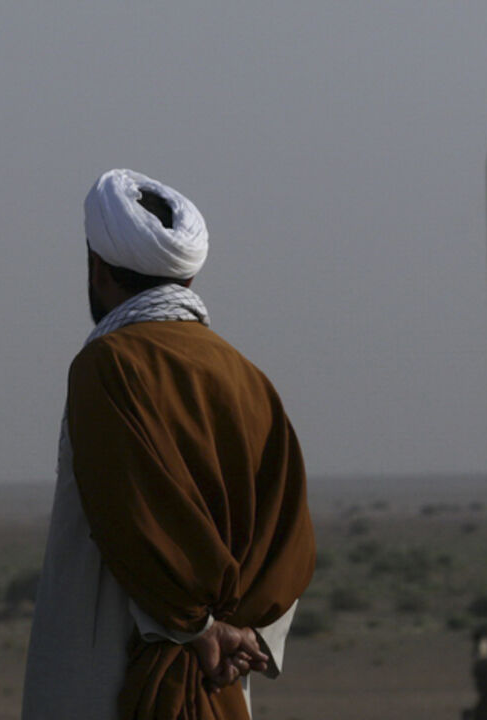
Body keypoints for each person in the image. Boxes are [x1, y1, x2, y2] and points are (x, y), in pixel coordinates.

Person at [22, 169, 316, 719]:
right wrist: (244, 632)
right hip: (222, 674)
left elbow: (132, 514)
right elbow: (288, 526)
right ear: (186, 280)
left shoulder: (107, 366)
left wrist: (197, 627)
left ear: (96, 269)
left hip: (109, 665)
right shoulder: (247, 377)